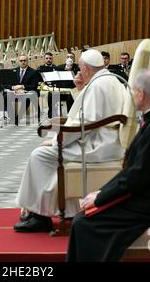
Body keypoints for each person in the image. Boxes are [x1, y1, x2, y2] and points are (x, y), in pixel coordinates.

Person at [67, 69, 150, 262]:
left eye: (133, 90)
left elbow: (135, 177)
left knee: (82, 223)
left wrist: (100, 198)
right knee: (84, 218)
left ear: (141, 94)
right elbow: (134, 172)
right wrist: (100, 193)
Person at [14, 49, 127, 233]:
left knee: (39, 155)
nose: (79, 72)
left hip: (98, 144)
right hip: (108, 141)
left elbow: (84, 122)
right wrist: (81, 88)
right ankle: (55, 210)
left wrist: (55, 141)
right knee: (44, 155)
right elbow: (88, 112)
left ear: (88, 69)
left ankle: (40, 216)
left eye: (81, 69)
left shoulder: (98, 85)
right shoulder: (109, 79)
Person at [4, 55, 39, 125]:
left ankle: (18, 118)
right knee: (5, 97)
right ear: (18, 62)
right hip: (15, 92)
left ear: (27, 61)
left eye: (24, 61)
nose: (23, 62)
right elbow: (6, 84)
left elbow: (34, 86)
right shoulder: (13, 71)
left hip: (27, 92)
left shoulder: (33, 72)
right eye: (21, 61)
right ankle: (13, 117)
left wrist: (22, 86)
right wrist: (13, 88)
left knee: (26, 99)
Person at [37, 52, 63, 119]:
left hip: (55, 86)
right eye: (47, 58)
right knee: (51, 94)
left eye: (50, 58)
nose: (48, 60)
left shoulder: (56, 68)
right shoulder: (39, 68)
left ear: (52, 59)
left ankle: (54, 113)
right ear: (44, 59)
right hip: (44, 86)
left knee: (54, 94)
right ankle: (52, 113)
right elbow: (37, 80)